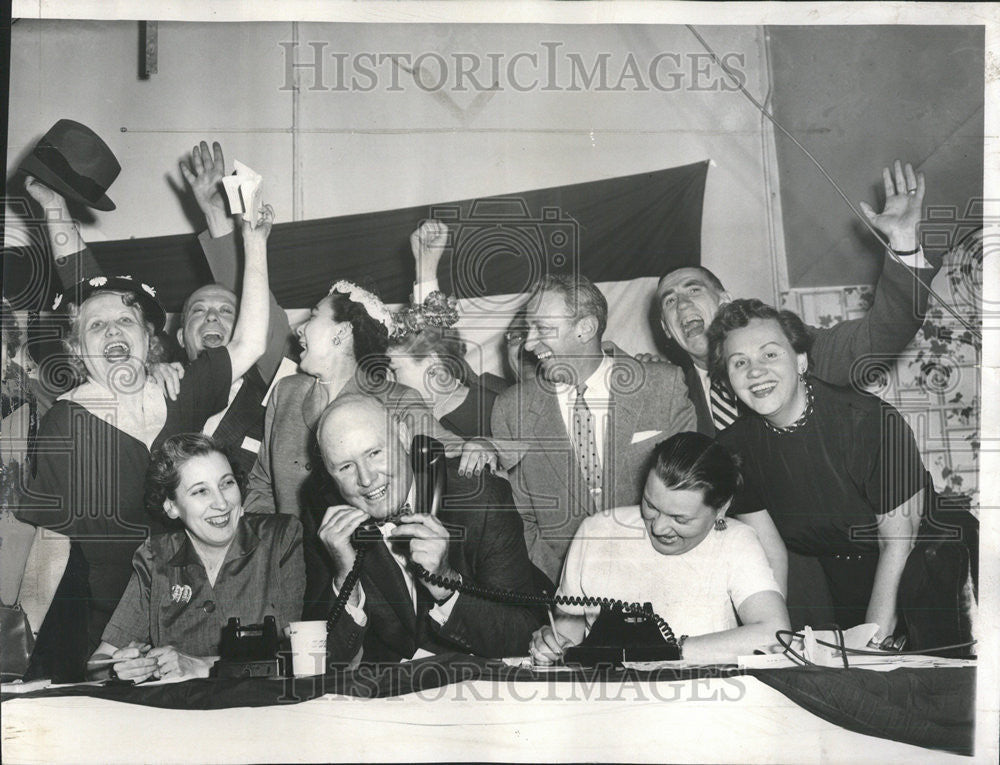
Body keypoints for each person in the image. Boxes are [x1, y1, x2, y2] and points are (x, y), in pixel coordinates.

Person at [16, 206, 273, 681]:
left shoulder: (180, 391)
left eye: (125, 321)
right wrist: (26, 647)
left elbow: (251, 344)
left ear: (148, 337)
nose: (113, 331)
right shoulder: (63, 424)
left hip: (194, 616)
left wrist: (254, 241)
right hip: (107, 630)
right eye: (96, 326)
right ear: (77, 348)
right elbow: (51, 541)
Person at [24, 140, 296, 475]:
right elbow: (97, 302)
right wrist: (55, 210)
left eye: (227, 312)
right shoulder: (158, 384)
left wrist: (216, 215)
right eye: (198, 310)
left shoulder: (274, 380)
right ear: (179, 336)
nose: (211, 315)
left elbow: (258, 324)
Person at [654, 160, 937, 435]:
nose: (683, 304)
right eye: (670, 301)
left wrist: (903, 241)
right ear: (667, 328)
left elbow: (877, 338)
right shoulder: (670, 393)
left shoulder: (788, 344)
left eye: (694, 289)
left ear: (725, 300)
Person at [708, 299, 927, 640]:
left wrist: (870, 645)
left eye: (770, 354)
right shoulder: (734, 448)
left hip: (926, 577)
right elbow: (772, 554)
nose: (755, 371)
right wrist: (771, 635)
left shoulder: (869, 422)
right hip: (841, 586)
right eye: (740, 362)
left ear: (800, 361)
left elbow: (900, 544)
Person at [491, 274, 696, 584]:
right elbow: (522, 519)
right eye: (528, 329)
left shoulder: (662, 386)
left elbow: (694, 494)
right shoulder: (511, 410)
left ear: (585, 328)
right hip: (565, 591)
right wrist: (564, 585)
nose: (530, 343)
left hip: (665, 576)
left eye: (542, 329)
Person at [313, 394, 543, 665]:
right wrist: (345, 580)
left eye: (374, 453)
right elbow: (322, 659)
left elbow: (522, 634)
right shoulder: (327, 518)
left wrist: (446, 583)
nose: (365, 479)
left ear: (402, 435)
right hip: (389, 697)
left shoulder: (480, 498)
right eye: (345, 467)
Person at [529, 432, 788, 665]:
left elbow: (773, 633)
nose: (659, 527)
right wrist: (550, 644)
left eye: (680, 519)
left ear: (721, 508)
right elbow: (566, 635)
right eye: (651, 506)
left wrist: (668, 652)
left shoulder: (737, 541)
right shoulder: (598, 531)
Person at [243, 279, 472, 519]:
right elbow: (261, 483)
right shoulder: (285, 392)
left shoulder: (397, 398)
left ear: (341, 331)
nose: (298, 329)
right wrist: (272, 543)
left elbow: (448, 446)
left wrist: (481, 447)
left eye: (312, 318)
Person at [88, 434, 304, 682]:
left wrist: (202, 666)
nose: (221, 503)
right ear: (171, 507)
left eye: (227, 483)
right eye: (201, 491)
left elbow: (299, 656)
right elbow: (98, 663)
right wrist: (120, 669)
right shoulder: (155, 556)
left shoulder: (280, 538)